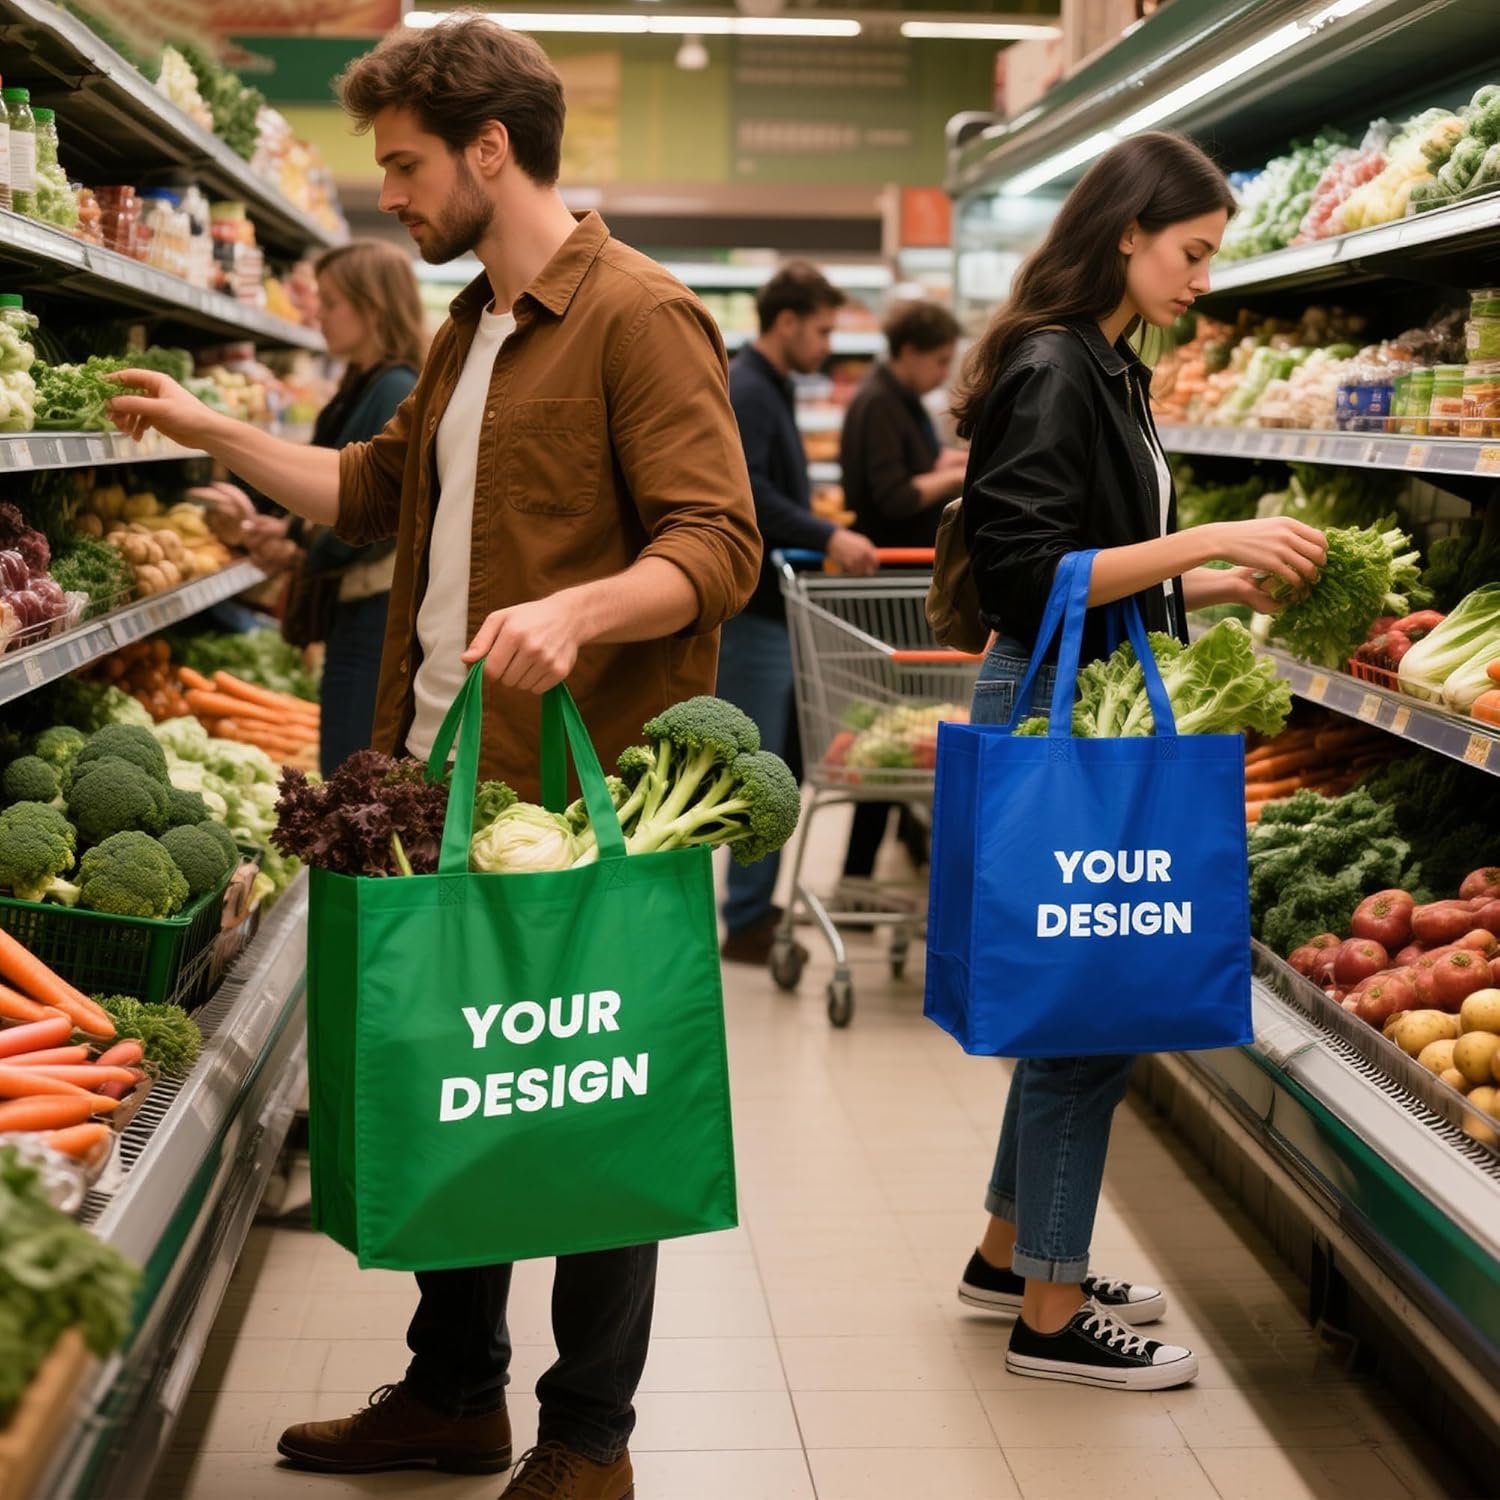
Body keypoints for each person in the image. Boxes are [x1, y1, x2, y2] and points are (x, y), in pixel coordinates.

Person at [108, 17, 759, 1499]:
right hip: (438, 777)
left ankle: (589, 1440)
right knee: (466, 1087)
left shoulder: (639, 316)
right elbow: (361, 490)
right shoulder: (464, 332)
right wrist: (212, 427)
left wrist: (582, 610)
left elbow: (718, 544)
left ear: (489, 148)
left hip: (585, 789)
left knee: (594, 1102)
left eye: (402, 165)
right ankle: (455, 1392)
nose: (386, 196)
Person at [949, 131, 1326, 1392]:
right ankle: (1050, 1322)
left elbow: (1094, 552)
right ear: (1126, 230)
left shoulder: (1110, 363)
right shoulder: (1058, 365)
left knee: (1076, 1005)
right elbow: (1021, 575)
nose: (1204, 279)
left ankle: (1012, 1256)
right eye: (1192, 252)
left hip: (1089, 693)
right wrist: (1203, 534)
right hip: (1060, 709)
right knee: (1087, 1024)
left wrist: (1205, 576)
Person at [200, 239, 427, 776]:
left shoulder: (394, 386)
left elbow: (378, 510)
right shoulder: (363, 380)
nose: (317, 314)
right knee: (350, 760)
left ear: (371, 306)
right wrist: (282, 531)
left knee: (351, 767)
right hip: (358, 601)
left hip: (375, 609)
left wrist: (297, 545)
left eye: (330, 302)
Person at [718, 261, 878, 964]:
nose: (827, 344)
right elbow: (746, 493)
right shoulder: (751, 388)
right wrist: (827, 533)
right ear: (786, 323)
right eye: (821, 329)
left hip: (768, 608)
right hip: (753, 612)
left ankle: (755, 903)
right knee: (760, 769)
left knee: (772, 762)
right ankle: (746, 917)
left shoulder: (771, 385)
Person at [839, 299, 966, 887]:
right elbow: (891, 496)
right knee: (895, 728)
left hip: (906, 583)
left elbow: (915, 465)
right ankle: (859, 873)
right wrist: (963, 474)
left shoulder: (899, 401)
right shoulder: (877, 405)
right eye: (939, 361)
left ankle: (893, 857)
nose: (944, 373)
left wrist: (949, 459)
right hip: (889, 585)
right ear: (910, 352)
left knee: (904, 726)